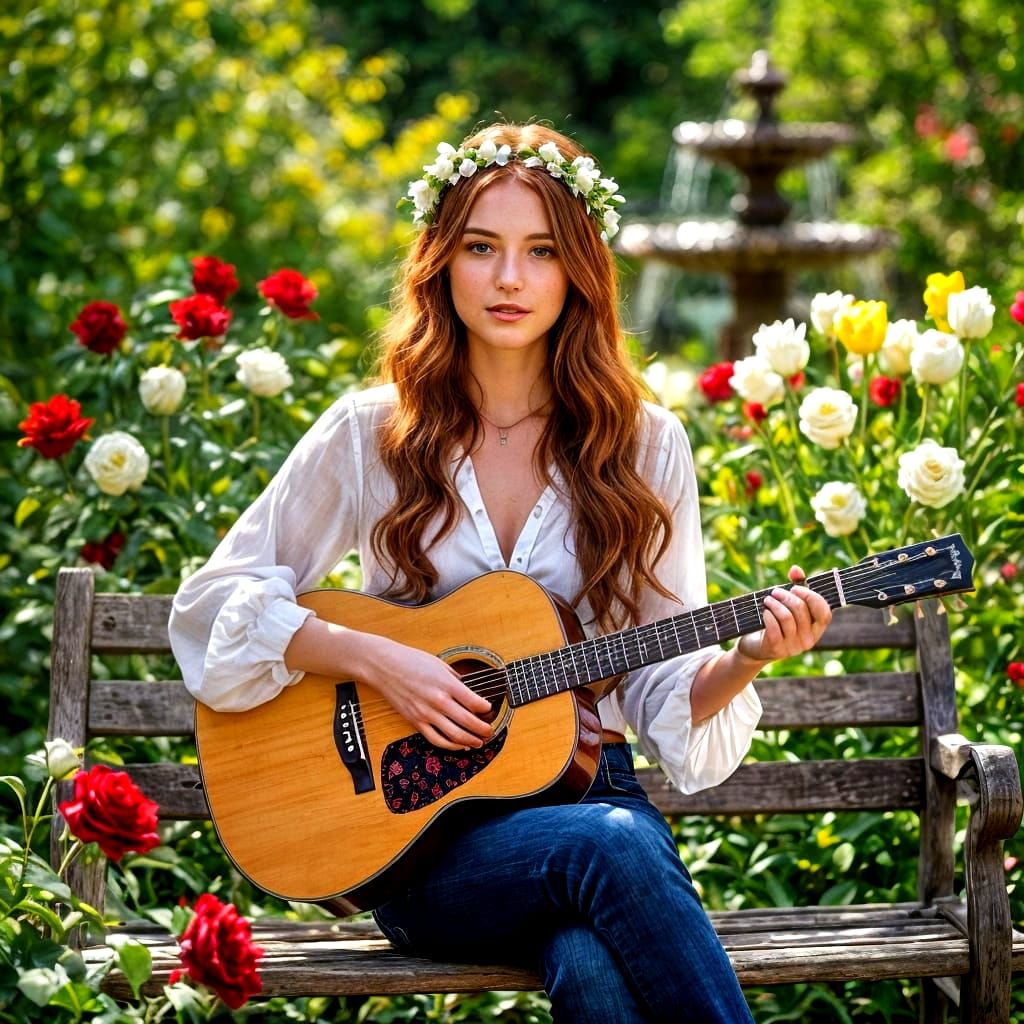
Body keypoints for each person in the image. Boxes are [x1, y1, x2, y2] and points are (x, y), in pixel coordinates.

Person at [169, 122, 833, 1023]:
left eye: (541, 250)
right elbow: (214, 604)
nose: (510, 278)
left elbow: (658, 685)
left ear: (578, 272)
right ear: (442, 261)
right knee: (612, 854)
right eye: (482, 247)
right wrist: (374, 657)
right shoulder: (371, 434)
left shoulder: (644, 444)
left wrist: (748, 655)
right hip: (416, 843)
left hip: (582, 787)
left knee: (593, 965)